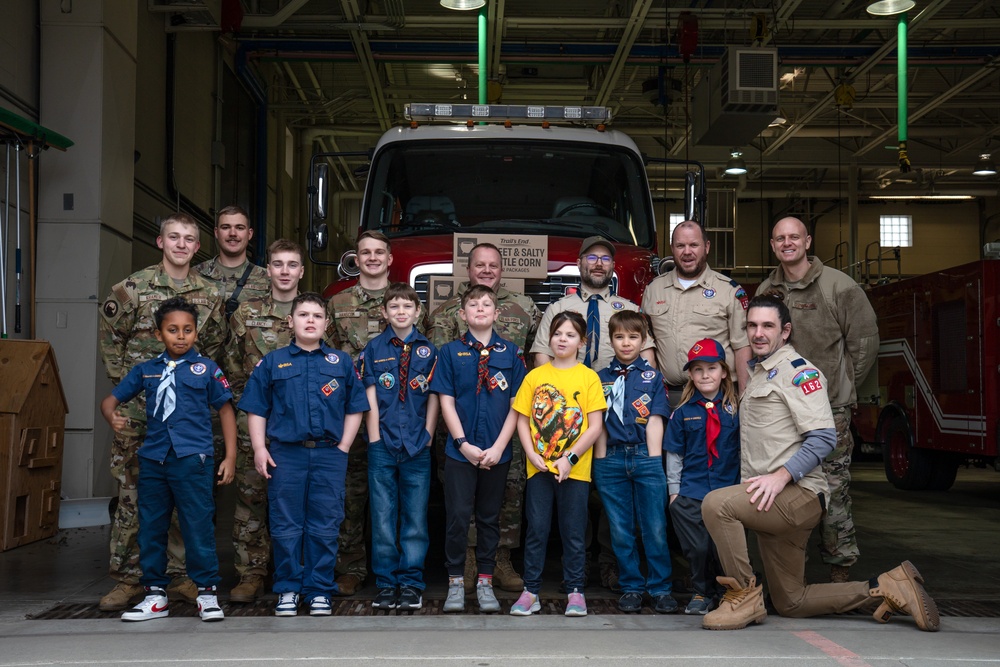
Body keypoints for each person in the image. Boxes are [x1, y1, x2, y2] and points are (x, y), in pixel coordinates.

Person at [700, 295, 938, 632]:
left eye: (767, 325)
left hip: (796, 494)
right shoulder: (761, 374)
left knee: (716, 505)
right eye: (752, 325)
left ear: (785, 331)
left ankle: (743, 596)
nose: (758, 333)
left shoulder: (798, 373)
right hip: (768, 500)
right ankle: (886, 587)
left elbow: (824, 437)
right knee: (791, 602)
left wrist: (781, 477)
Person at [97, 212, 226, 611]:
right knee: (135, 498)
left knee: (186, 503)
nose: (182, 244)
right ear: (161, 242)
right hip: (140, 414)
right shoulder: (133, 287)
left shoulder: (211, 294)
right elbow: (110, 336)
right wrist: (129, 391)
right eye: (174, 237)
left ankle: (182, 577)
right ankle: (129, 578)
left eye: (189, 238)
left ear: (197, 246)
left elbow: (216, 345)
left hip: (187, 418)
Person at [756, 216, 879, 582]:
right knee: (787, 487)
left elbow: (865, 342)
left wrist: (842, 390)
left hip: (829, 411)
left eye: (794, 237)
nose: (787, 243)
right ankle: (792, 576)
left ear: (808, 242)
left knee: (833, 489)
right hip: (783, 412)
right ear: (773, 245)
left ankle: (840, 574)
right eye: (780, 238)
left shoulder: (839, 286)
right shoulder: (768, 288)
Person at [531, 235, 653, 591]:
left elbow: (646, 360)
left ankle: (610, 561)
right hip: (566, 413)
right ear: (580, 263)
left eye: (604, 258)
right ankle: (577, 561)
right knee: (574, 488)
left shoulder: (626, 307)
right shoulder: (559, 308)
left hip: (614, 411)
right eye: (591, 257)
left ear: (612, 267)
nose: (598, 263)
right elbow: (541, 356)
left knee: (610, 487)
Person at [239, 292, 368, 617]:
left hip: (328, 455)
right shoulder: (273, 362)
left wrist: (343, 447)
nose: (310, 320)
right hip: (286, 455)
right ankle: (287, 589)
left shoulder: (340, 363)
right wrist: (259, 447)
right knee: (285, 526)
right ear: (290, 322)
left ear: (326, 323)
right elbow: (256, 408)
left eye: (316, 315)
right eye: (303, 315)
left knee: (326, 524)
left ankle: (319, 589)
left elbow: (356, 408)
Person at [426, 242, 540, 593]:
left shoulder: (524, 309)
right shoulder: (446, 312)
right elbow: (438, 366)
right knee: (461, 503)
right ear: (469, 268)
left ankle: (501, 559)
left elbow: (534, 362)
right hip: (460, 423)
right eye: (480, 265)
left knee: (507, 493)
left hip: (504, 422)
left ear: (501, 269)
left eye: (493, 265)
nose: (487, 270)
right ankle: (469, 559)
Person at [431, 285, 527, 613]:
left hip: (497, 452)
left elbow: (517, 405)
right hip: (461, 452)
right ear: (462, 314)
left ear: (497, 313)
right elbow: (445, 399)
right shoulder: (449, 353)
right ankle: (456, 581)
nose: (481, 309)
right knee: (457, 516)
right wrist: (462, 444)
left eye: (487, 304)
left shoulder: (511, 354)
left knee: (489, 518)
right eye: (474, 305)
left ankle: (485, 580)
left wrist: (500, 447)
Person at [222, 239, 305, 602]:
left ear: (302, 270)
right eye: (278, 264)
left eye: (292, 264)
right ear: (267, 270)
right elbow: (231, 366)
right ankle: (251, 573)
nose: (285, 271)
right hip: (255, 420)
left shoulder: (315, 312)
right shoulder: (245, 314)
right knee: (252, 498)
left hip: (303, 425)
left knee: (301, 500)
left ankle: (300, 572)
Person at [511, 312, 607, 617]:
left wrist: (570, 458)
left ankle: (576, 591)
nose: (562, 339)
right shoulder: (535, 376)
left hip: (575, 471)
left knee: (574, 531)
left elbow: (594, 427)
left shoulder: (588, 377)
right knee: (537, 529)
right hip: (539, 468)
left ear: (582, 341)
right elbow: (522, 421)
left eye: (569, 335)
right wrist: (531, 455)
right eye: (557, 334)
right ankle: (531, 591)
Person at [360, 283, 439, 611]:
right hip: (383, 443)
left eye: (407, 307)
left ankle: (411, 582)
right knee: (382, 515)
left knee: (415, 517)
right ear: (384, 312)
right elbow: (369, 395)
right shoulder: (373, 349)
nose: (401, 312)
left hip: (418, 444)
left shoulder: (429, 351)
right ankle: (386, 582)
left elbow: (435, 395)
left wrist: (430, 434)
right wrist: (375, 436)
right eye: (394, 307)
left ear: (418, 312)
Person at [594, 311, 675, 614]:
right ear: (611, 340)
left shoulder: (652, 377)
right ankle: (631, 586)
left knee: (654, 526)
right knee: (620, 528)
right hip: (611, 459)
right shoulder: (600, 378)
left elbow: (655, 419)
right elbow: (597, 422)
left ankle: (660, 587)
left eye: (633, 337)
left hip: (644, 456)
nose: (626, 343)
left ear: (643, 340)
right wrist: (601, 460)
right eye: (619, 337)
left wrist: (654, 461)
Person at [326, 230, 392, 596]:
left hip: (396, 415)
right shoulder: (337, 304)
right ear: (357, 258)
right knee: (349, 494)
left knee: (393, 495)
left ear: (389, 259)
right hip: (349, 413)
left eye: (378, 252)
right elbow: (328, 359)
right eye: (365, 252)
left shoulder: (407, 301)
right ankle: (349, 566)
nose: (371, 258)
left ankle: (393, 568)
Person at [665, 338, 741, 615]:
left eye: (711, 368)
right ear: (690, 375)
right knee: (697, 549)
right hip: (691, 492)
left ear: (724, 371)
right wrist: (674, 494)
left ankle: (728, 592)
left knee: (724, 548)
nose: (705, 375)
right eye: (698, 370)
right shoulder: (682, 413)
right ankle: (700, 591)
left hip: (728, 492)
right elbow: (675, 455)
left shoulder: (738, 410)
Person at [642, 221, 751, 405]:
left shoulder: (729, 291)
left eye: (694, 245)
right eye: (680, 246)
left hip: (718, 398)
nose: (687, 252)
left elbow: (742, 347)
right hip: (669, 398)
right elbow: (645, 344)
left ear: (706, 247)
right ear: (672, 248)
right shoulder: (654, 289)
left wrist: (744, 399)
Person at [194, 204, 270, 320]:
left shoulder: (267, 280)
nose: (233, 233)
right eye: (225, 227)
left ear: (249, 234)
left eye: (239, 228)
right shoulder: (194, 275)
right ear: (216, 232)